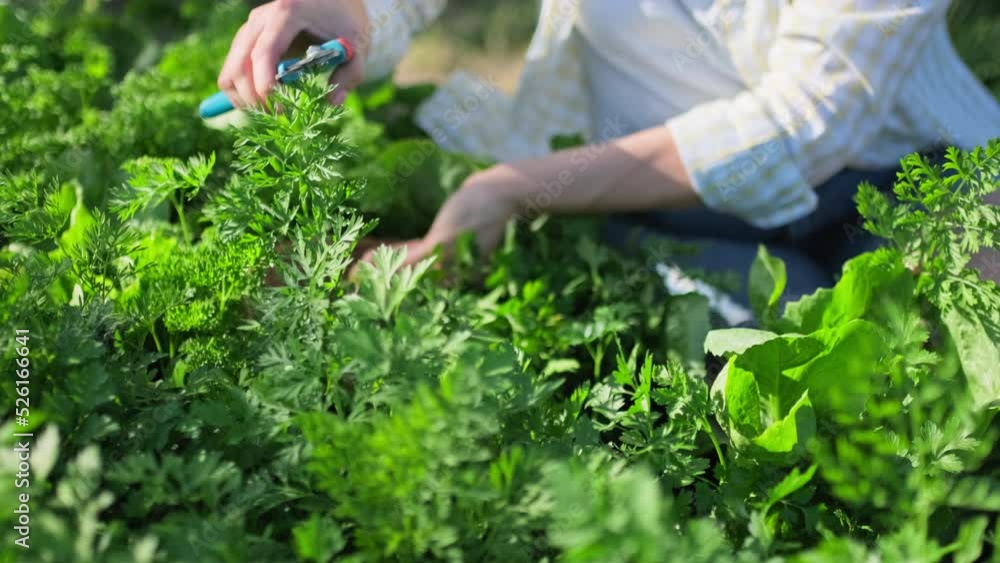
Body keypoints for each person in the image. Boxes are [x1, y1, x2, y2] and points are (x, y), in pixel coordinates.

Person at [217, 0, 1000, 309]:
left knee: (944, 322)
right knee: (779, 324)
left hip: (901, 168)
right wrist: (344, 14)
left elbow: (806, 124)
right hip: (641, 188)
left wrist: (516, 188)